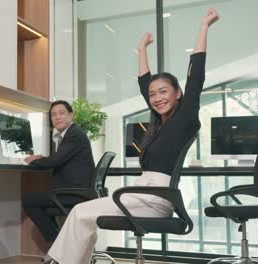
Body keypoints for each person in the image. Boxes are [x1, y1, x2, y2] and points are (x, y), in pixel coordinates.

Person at [42, 8, 219, 264]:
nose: (157, 98)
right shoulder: (159, 123)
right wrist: (142, 49)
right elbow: (143, 82)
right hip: (141, 193)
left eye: (163, 92)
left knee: (81, 212)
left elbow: (197, 75)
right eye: (153, 95)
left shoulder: (184, 118)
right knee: (84, 215)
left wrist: (204, 27)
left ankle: (55, 260)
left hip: (155, 198)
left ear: (178, 93)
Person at [23, 100, 96, 241]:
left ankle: (57, 243)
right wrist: (43, 159)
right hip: (78, 190)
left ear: (71, 115)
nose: (57, 117)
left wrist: (33, 160)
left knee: (29, 200)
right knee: (38, 200)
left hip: (76, 193)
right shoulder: (71, 134)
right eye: (53, 115)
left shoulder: (74, 134)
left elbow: (55, 161)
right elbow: (58, 159)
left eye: (61, 113)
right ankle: (60, 245)